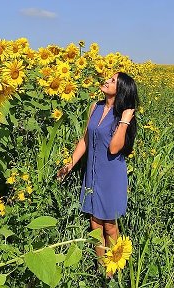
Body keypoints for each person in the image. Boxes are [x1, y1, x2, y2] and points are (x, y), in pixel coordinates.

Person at [57, 71, 139, 268]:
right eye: (109, 78)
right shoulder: (95, 106)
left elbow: (114, 148)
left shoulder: (123, 115)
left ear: (121, 90)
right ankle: (101, 268)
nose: (107, 81)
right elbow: (85, 140)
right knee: (95, 223)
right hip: (93, 172)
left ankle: (115, 267)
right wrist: (69, 165)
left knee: (109, 225)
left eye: (112, 81)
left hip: (111, 176)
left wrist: (125, 120)